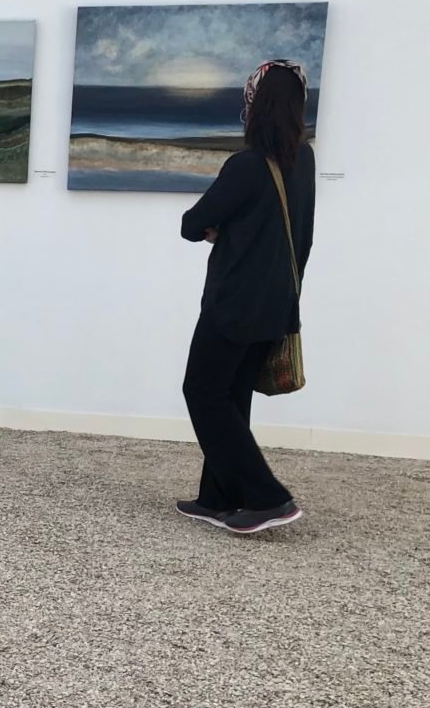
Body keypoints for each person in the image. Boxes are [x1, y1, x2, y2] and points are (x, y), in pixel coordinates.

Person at [176, 60, 316, 535]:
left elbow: (192, 225)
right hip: (278, 302)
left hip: (234, 301)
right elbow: (300, 235)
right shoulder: (305, 160)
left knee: (202, 391)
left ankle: (267, 497)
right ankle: (218, 497)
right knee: (231, 395)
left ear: (255, 106)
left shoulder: (246, 165)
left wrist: (222, 231)